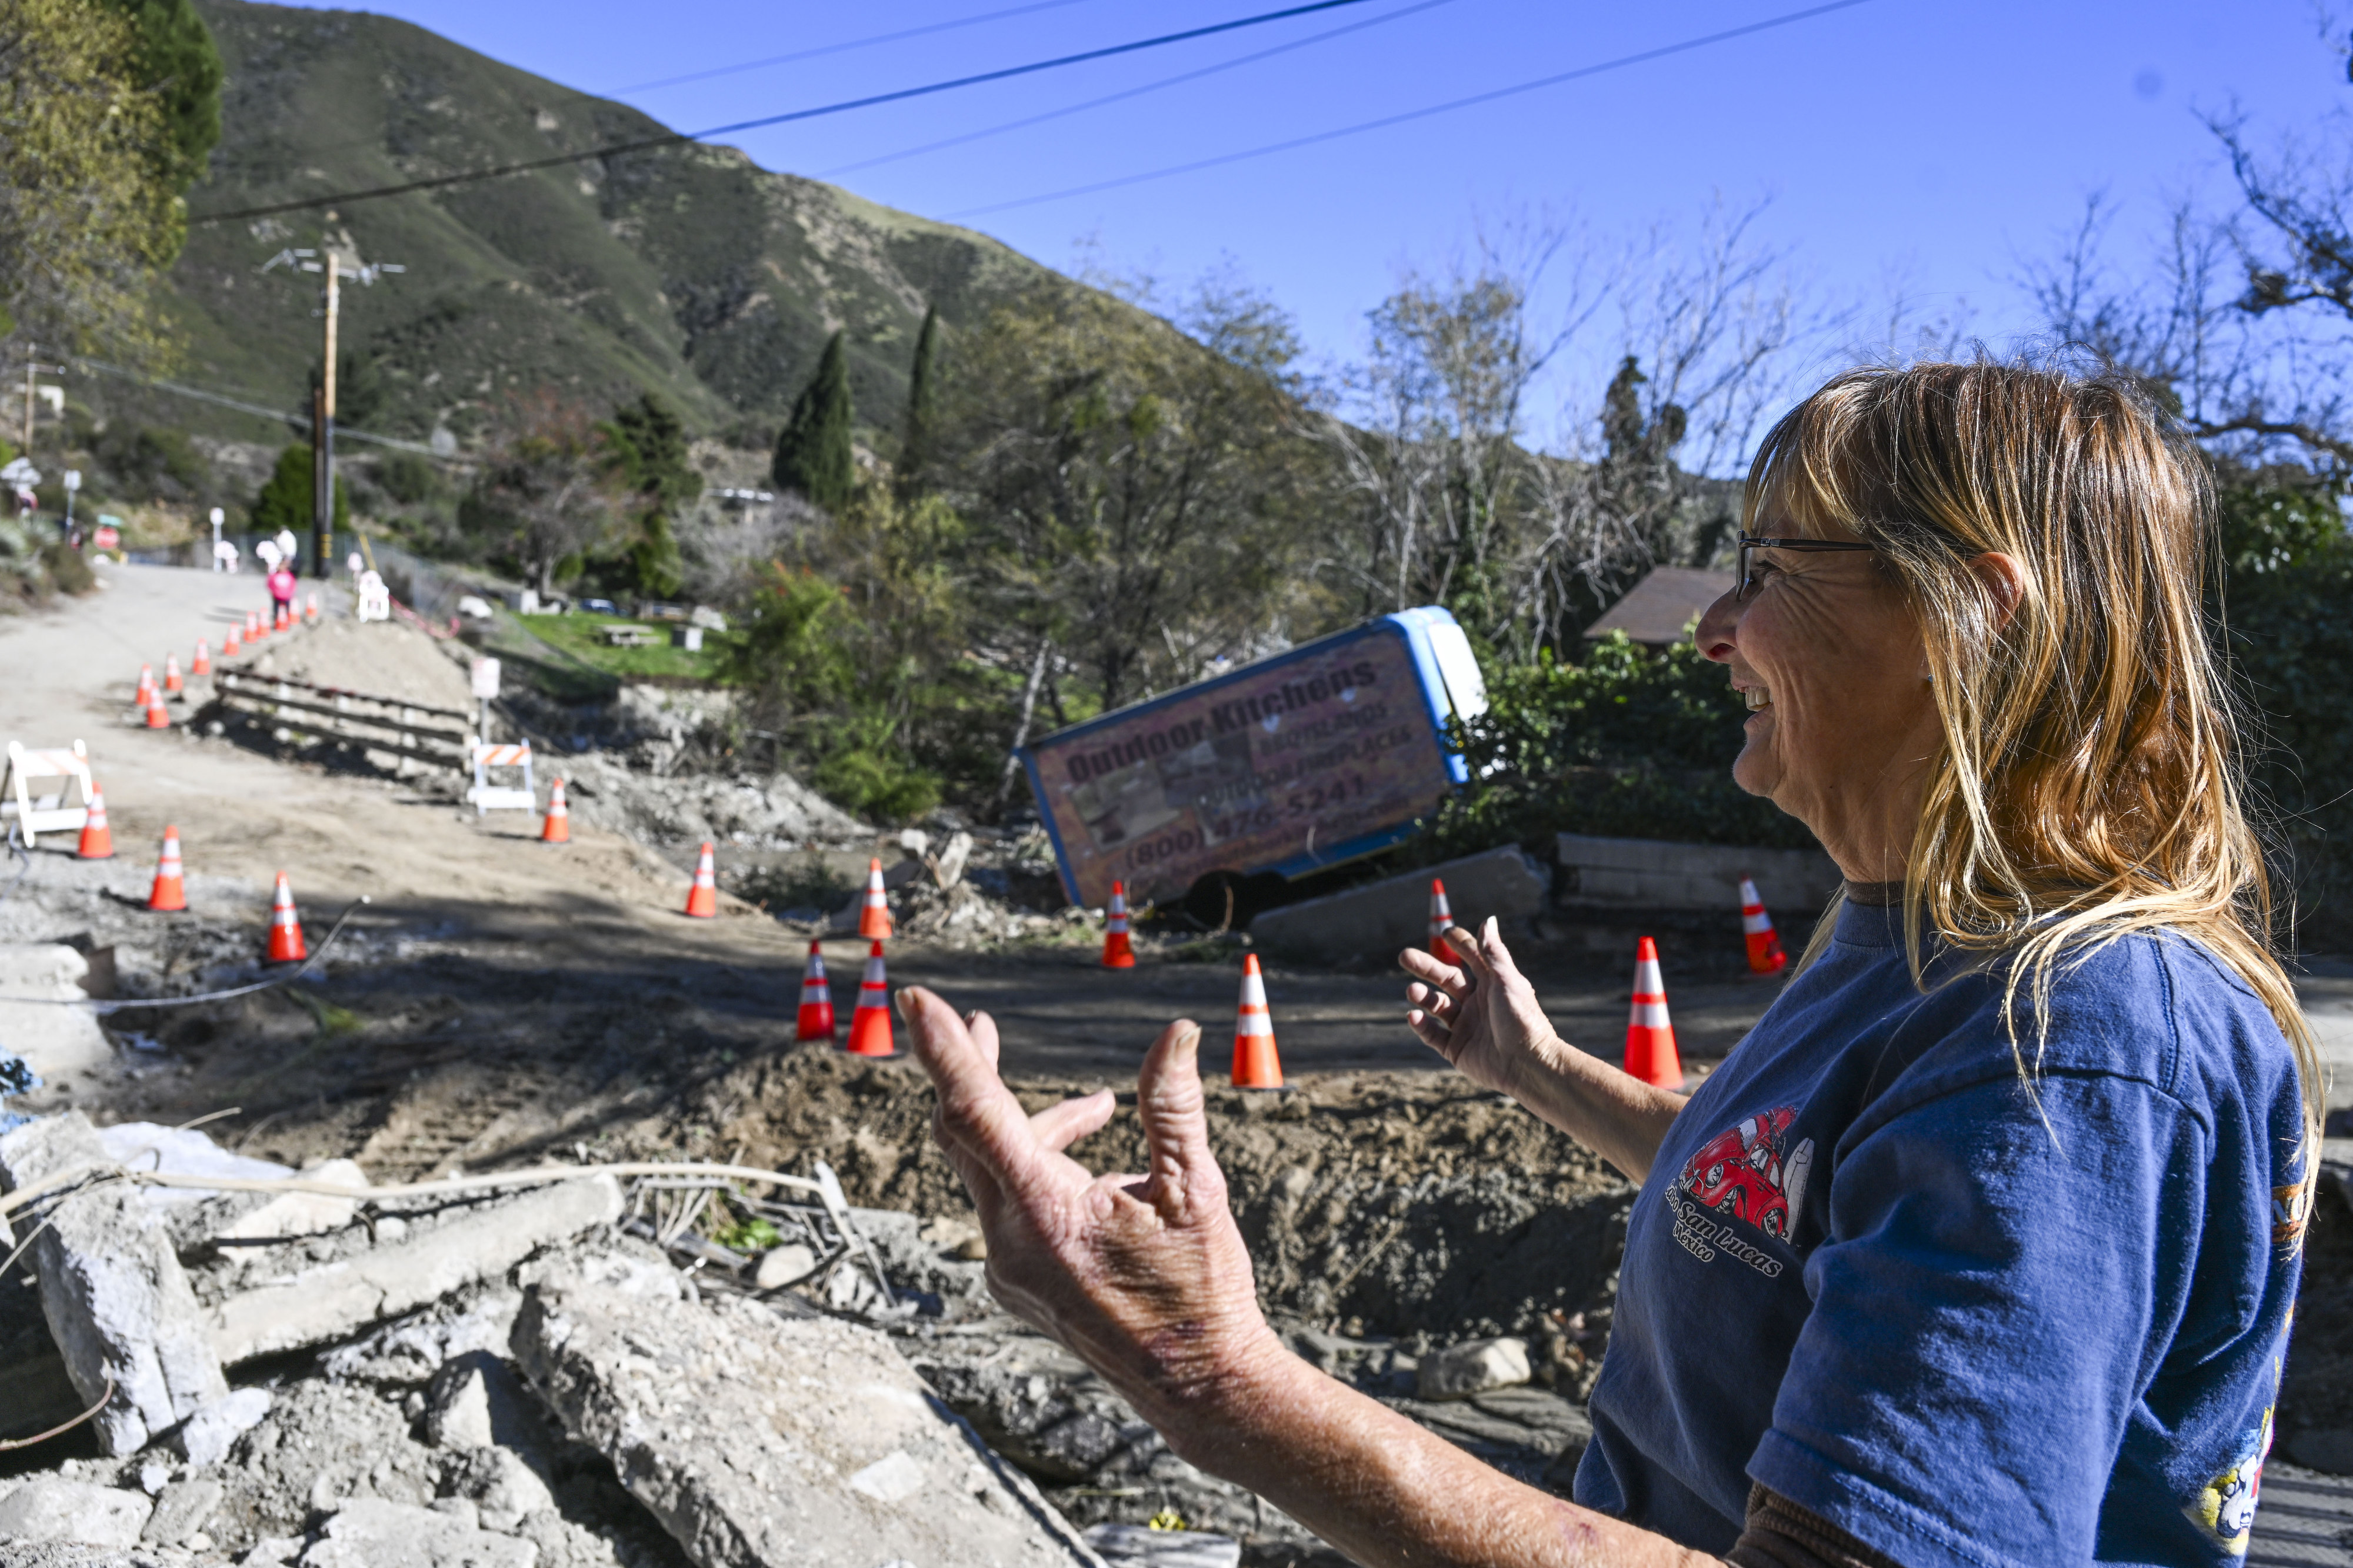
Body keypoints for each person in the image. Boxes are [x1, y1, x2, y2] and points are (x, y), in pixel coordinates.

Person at [899, 361, 2320, 1567]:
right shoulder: (1914, 925)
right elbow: (1775, 1192)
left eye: (1767, 571)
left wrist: (1211, 1373)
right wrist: (1534, 1064)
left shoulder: (2064, 1037)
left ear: (1967, 613)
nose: (1711, 628)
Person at [266, 557, 297, 625]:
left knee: (287, 610)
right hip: (277, 596)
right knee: (276, 611)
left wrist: (290, 594)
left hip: (286, 597)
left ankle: (287, 623)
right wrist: (273, 592)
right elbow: (270, 584)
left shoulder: (289, 576)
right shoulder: (274, 576)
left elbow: (293, 585)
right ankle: (277, 622)